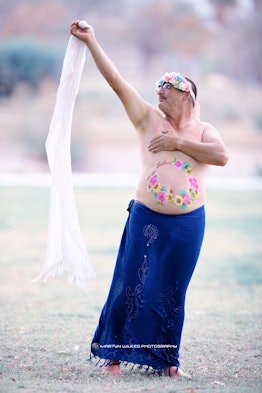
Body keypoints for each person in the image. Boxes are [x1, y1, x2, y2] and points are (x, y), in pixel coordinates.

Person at [70, 20, 228, 378]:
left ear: (186, 94)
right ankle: (112, 357)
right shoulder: (146, 119)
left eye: (165, 88)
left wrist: (177, 143)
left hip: (189, 223)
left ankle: (168, 363)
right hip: (147, 218)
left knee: (173, 291)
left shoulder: (205, 132)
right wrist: (92, 40)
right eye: (156, 88)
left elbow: (220, 156)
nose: (158, 93)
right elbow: (116, 83)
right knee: (130, 284)